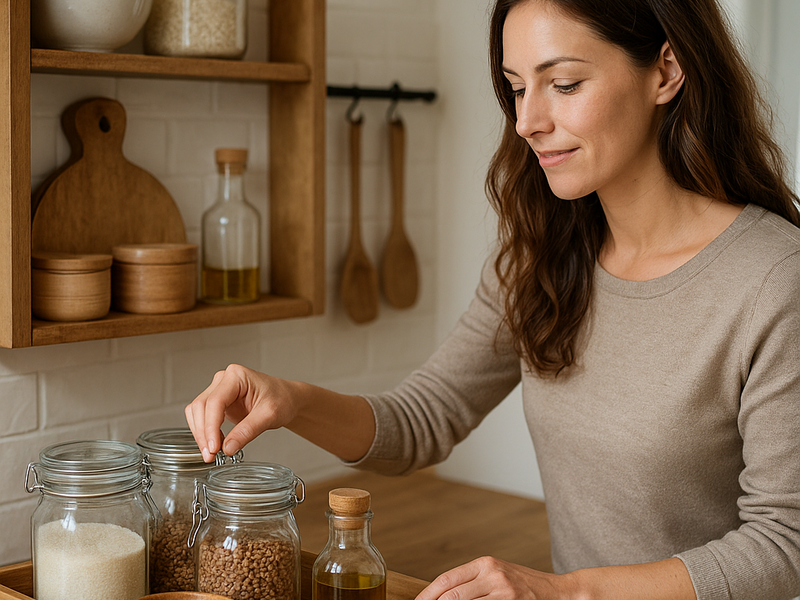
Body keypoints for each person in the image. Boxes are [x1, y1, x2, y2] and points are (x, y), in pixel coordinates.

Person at [185, 0, 800, 598]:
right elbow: (423, 419)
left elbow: (785, 548)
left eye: (562, 83)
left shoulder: (773, 278)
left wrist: (565, 593)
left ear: (666, 70)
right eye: (515, 87)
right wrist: (291, 401)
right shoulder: (542, 255)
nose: (527, 120)